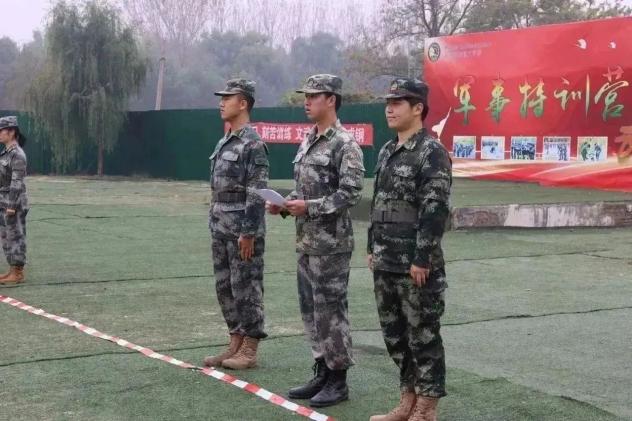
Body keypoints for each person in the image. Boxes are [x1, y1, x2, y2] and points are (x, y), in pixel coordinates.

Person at [267, 74, 364, 407]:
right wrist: (284, 204)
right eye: (305, 96)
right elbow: (305, 189)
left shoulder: (345, 144)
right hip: (307, 242)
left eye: (313, 96)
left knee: (331, 312)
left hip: (332, 245)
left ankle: (338, 380)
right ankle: (322, 371)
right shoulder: (309, 140)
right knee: (310, 310)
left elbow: (350, 193)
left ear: (331, 100)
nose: (306, 102)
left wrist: (308, 206)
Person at [367, 78, 452, 421]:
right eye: (388, 102)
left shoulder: (432, 152)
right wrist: (372, 247)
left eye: (398, 103)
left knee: (423, 335)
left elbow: (435, 210)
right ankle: (408, 399)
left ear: (418, 108)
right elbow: (379, 203)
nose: (389, 109)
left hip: (415, 265)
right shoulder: (388, 150)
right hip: (385, 260)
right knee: (395, 335)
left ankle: (426, 408)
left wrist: (422, 258)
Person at [203, 79, 269, 370]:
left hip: (242, 229)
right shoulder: (224, 141)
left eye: (227, 98)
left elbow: (256, 191)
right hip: (220, 225)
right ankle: (235, 341)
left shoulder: (253, 144)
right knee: (225, 287)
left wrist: (248, 231)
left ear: (243, 104)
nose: (221, 103)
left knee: (246, 287)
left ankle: (250, 348)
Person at [0, 116, 29, 286]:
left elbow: (16, 182)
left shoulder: (17, 154)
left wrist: (11, 206)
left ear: (11, 132)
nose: (0, 134)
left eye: (1, 131)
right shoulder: (6, 153)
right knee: (6, 237)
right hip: (3, 201)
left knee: (16, 236)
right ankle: (12, 270)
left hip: (14, 203)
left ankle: (18, 273)